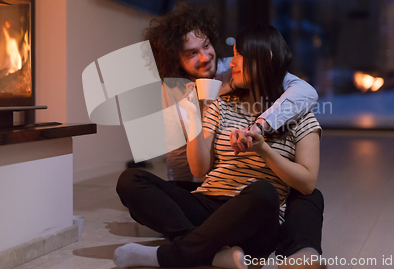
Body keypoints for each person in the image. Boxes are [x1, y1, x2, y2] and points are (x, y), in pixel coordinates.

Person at [115, 25, 324, 269]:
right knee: (131, 180)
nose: (231, 63)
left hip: (256, 217)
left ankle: (173, 256)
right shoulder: (221, 104)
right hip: (209, 204)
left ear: (265, 58)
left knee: (263, 192)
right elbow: (200, 169)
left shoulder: (301, 115)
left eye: (238, 55)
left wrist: (263, 150)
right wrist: (194, 112)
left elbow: (308, 184)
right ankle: (210, 252)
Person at [142, 2, 319, 190]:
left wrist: (261, 125)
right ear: (175, 60)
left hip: (249, 177)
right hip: (210, 176)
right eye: (192, 53)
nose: (205, 57)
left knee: (304, 200)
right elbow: (177, 152)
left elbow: (304, 90)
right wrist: (179, 194)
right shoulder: (174, 89)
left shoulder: (234, 69)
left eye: (206, 45)